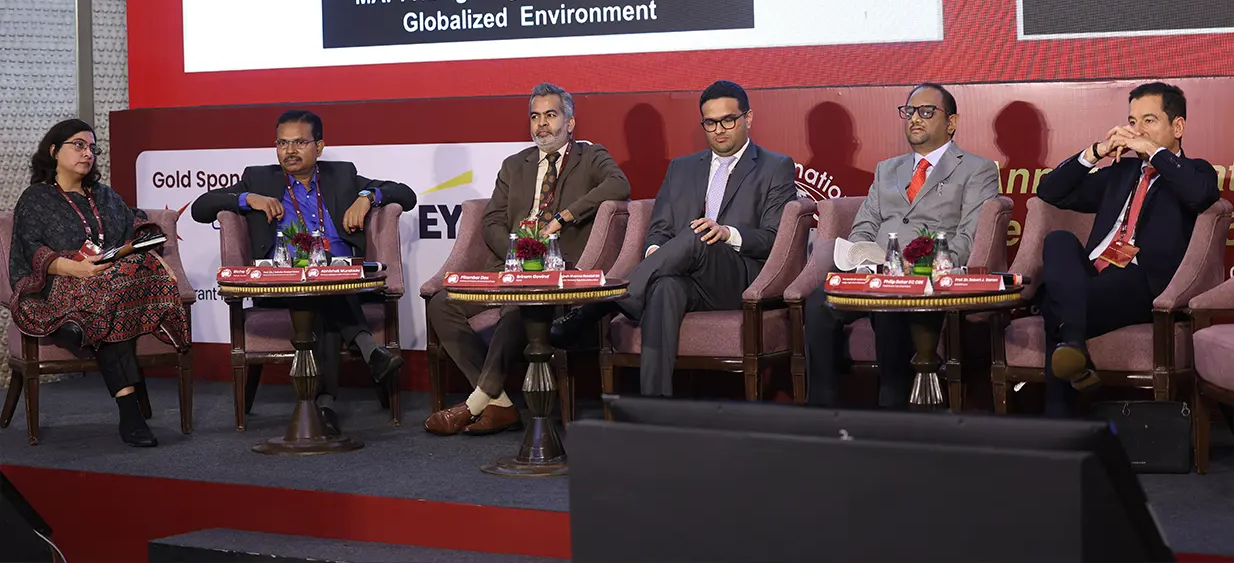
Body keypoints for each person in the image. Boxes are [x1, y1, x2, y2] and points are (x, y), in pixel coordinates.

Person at [551, 80, 797, 397]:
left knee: (697, 235)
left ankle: (603, 304)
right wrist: (656, 251)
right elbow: (659, 230)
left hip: (738, 278)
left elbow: (775, 239)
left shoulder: (775, 166)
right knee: (664, 287)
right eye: (710, 123)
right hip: (684, 276)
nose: (719, 130)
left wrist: (727, 233)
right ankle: (655, 406)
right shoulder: (681, 168)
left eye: (728, 120)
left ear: (747, 118)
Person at [191, 109, 417, 435]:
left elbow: (406, 194)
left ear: (319, 147)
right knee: (313, 291)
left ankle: (321, 404)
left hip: (339, 281)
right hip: (281, 286)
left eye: (299, 142)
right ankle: (363, 351)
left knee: (321, 291)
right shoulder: (259, 178)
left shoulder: (342, 175)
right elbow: (200, 207)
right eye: (282, 143)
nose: (289, 151)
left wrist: (367, 197)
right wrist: (247, 198)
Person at [424, 83, 630, 436]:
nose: (542, 124)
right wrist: (517, 249)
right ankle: (499, 401)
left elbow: (619, 185)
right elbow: (491, 220)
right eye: (535, 117)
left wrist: (564, 217)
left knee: (519, 304)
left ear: (569, 122)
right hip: (512, 263)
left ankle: (474, 403)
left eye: (550, 115)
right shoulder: (514, 165)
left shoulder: (590, 156)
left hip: (556, 268)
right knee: (442, 303)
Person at [803, 83, 1000, 408]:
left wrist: (917, 268)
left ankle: (892, 411)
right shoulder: (887, 169)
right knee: (819, 302)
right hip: (874, 274)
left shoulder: (976, 170)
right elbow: (864, 226)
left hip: (925, 280)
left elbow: (969, 239)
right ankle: (822, 411)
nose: (915, 119)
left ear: (951, 122)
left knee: (891, 308)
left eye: (926, 112)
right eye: (910, 112)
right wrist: (861, 258)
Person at [1036, 81, 1218, 416]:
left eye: (1149, 120)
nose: (1137, 130)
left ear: (1177, 127)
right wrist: (1097, 151)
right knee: (1058, 240)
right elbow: (1050, 191)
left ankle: (1059, 415)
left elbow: (1201, 195)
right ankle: (1074, 346)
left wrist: (1154, 152)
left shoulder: (1195, 172)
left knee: (1053, 304)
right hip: (1091, 277)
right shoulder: (1120, 172)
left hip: (1140, 282)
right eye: (1132, 121)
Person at [8, 119, 189, 447]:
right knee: (109, 299)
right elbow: (30, 249)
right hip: (61, 284)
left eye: (92, 148)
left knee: (122, 282)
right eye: (78, 145)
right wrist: (76, 269)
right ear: (54, 151)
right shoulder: (36, 198)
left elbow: (135, 225)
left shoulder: (104, 196)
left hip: (111, 283)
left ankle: (79, 328)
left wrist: (152, 255)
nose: (87, 153)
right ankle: (130, 413)